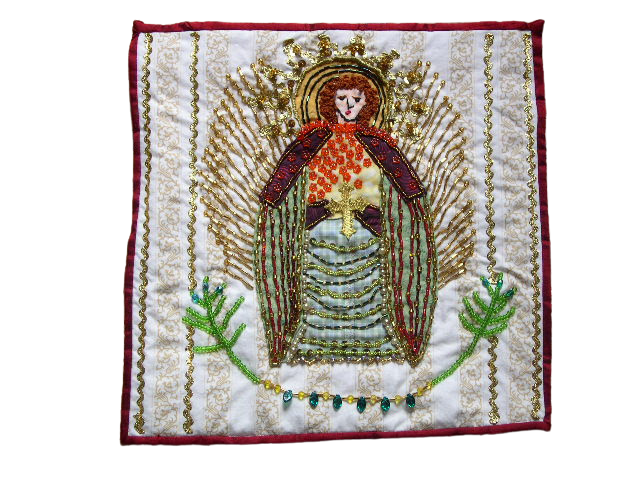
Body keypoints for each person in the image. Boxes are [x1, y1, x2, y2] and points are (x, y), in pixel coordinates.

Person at [257, 72, 436, 367]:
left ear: (368, 103)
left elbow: (406, 184)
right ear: (331, 102)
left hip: (367, 234)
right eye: (342, 98)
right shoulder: (313, 141)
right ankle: (311, 346)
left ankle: (377, 344)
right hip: (319, 231)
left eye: (356, 99)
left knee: (370, 288)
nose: (349, 105)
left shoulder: (377, 144)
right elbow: (283, 180)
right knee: (317, 286)